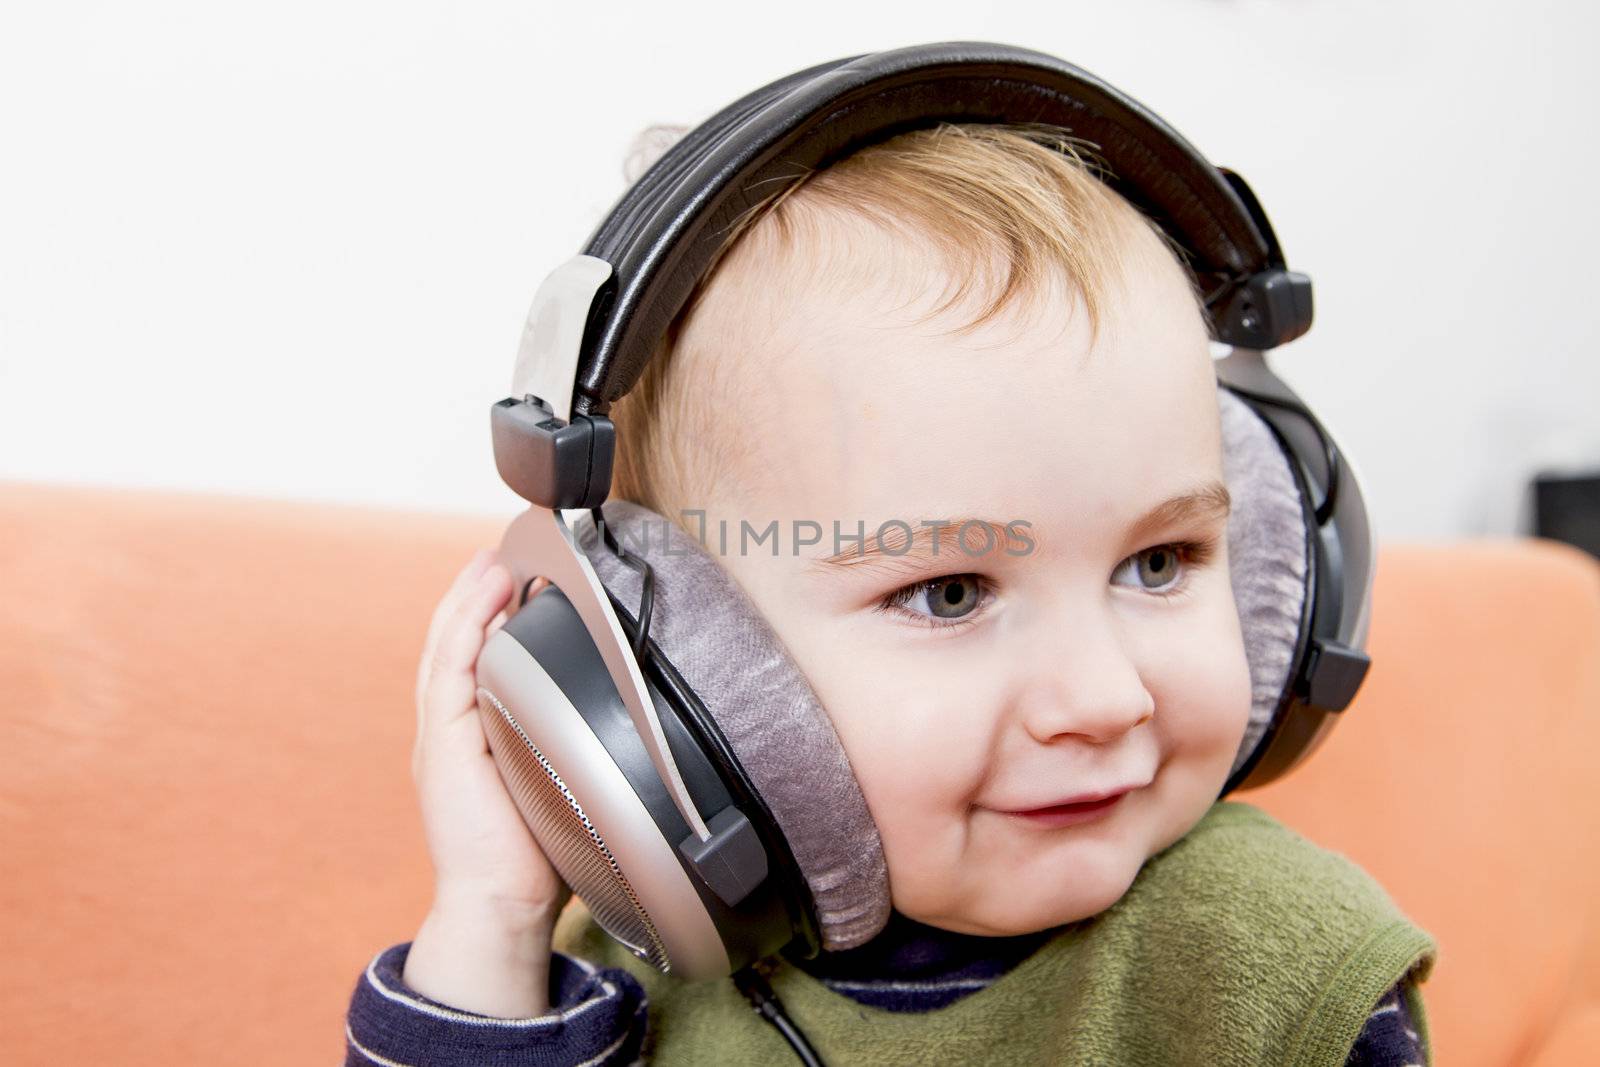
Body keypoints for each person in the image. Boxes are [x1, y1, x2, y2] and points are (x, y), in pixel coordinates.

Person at [345, 119, 1437, 1065]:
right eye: (951, 593)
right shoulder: (608, 978)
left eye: (1159, 563)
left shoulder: (1284, 967)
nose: (1105, 699)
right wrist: (494, 916)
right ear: (694, 685)